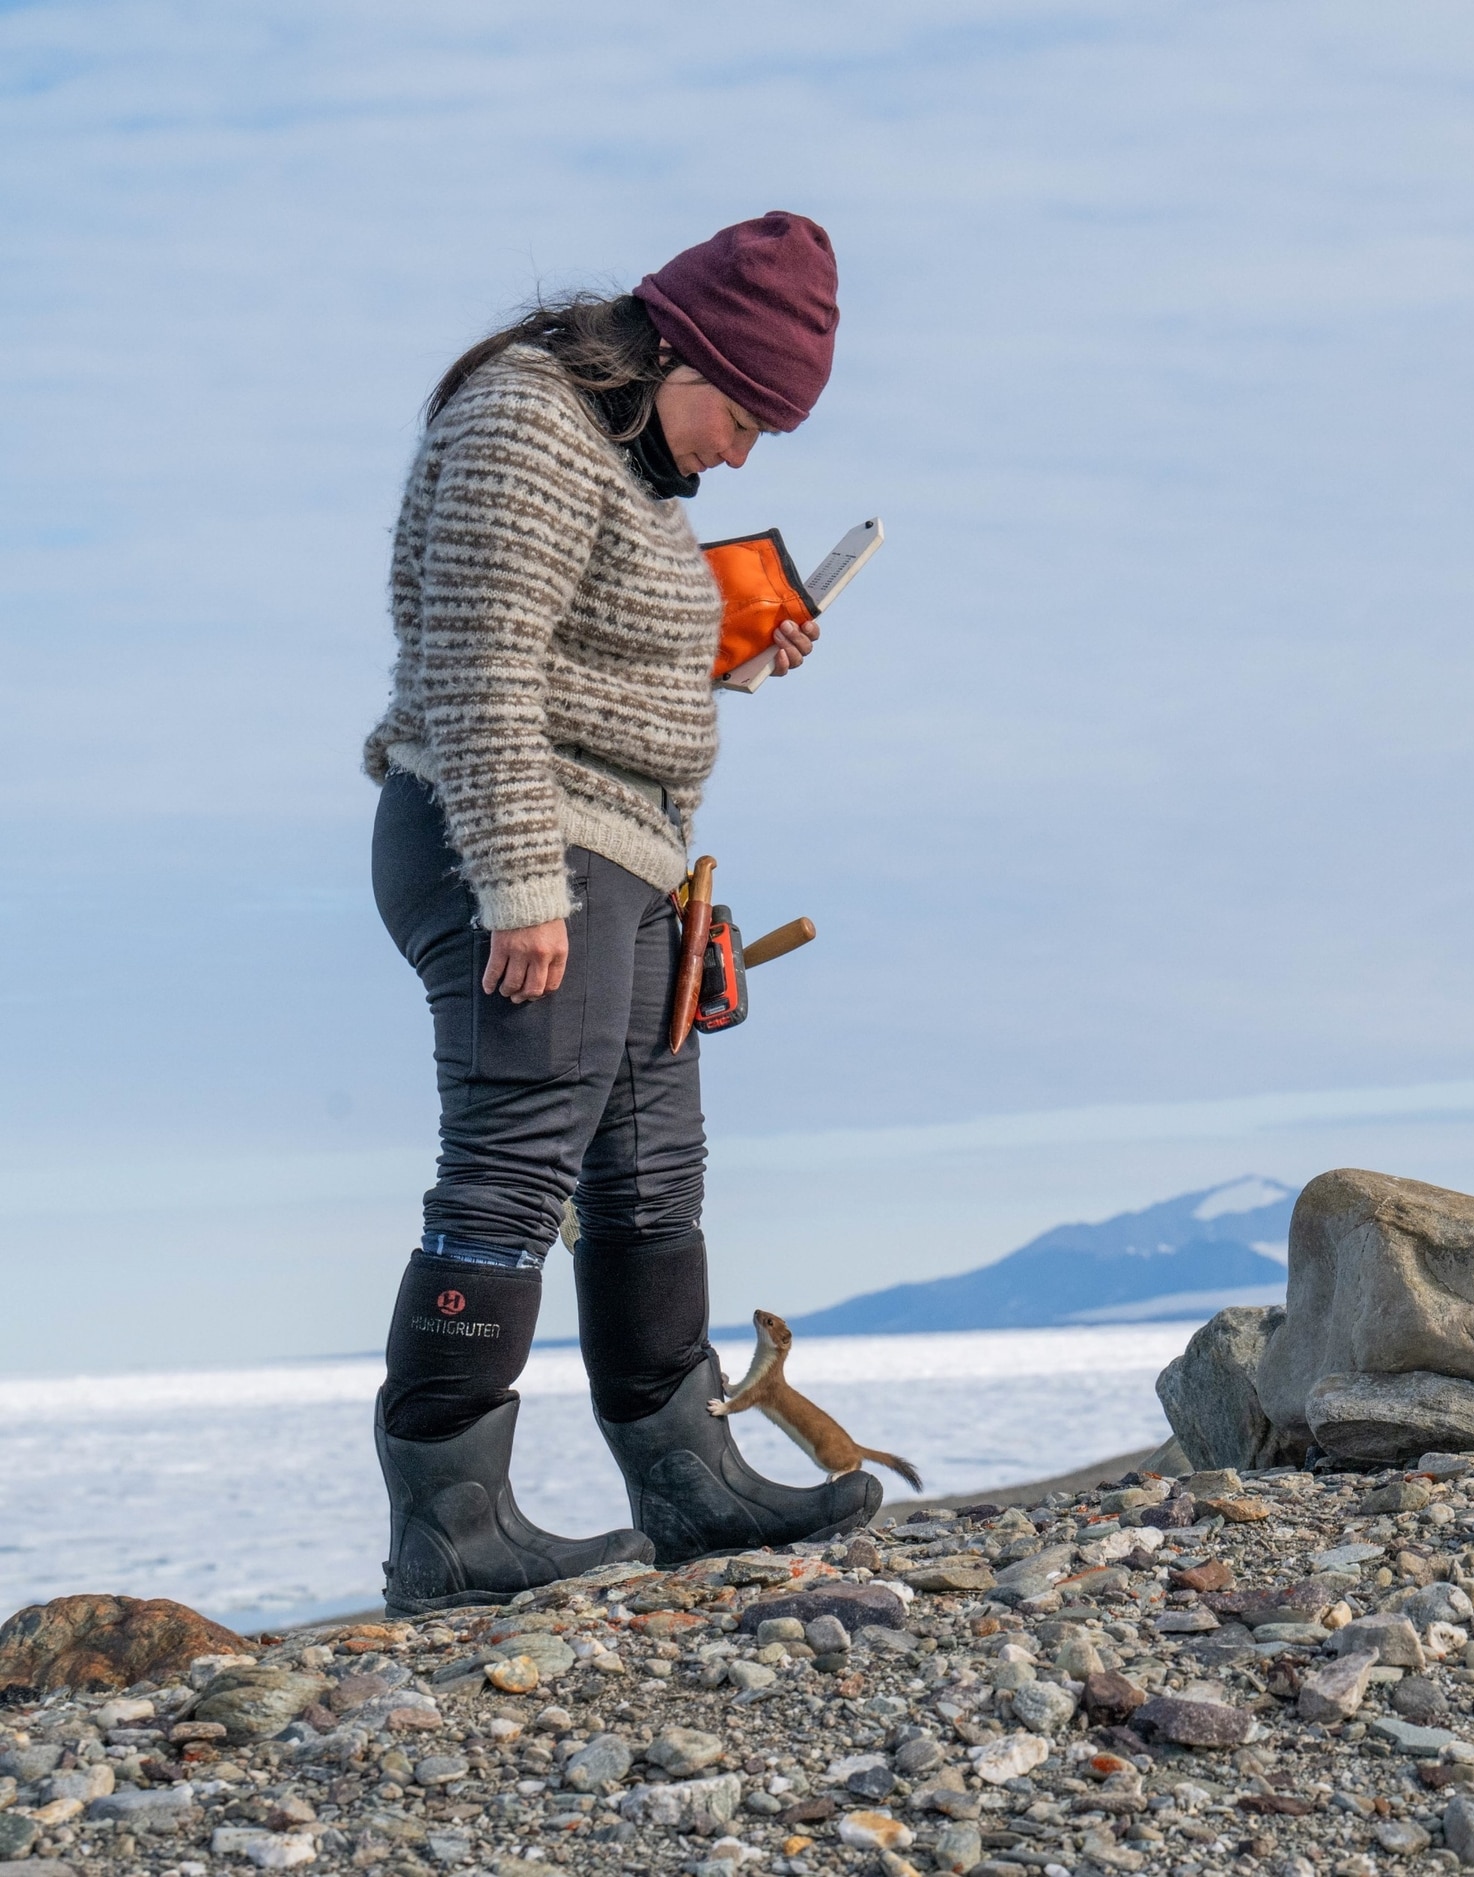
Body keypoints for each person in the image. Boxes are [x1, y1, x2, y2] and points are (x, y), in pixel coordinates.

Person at [361, 212, 879, 1613]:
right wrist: (523, 883)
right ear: (681, 350)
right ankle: (451, 1524)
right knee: (515, 1162)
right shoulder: (525, 421)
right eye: (743, 412)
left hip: (636, 859)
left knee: (653, 1175)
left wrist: (718, 645)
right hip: (512, 842)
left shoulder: (634, 482)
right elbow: (477, 664)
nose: (741, 452)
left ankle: (687, 1482)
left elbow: (593, 666)